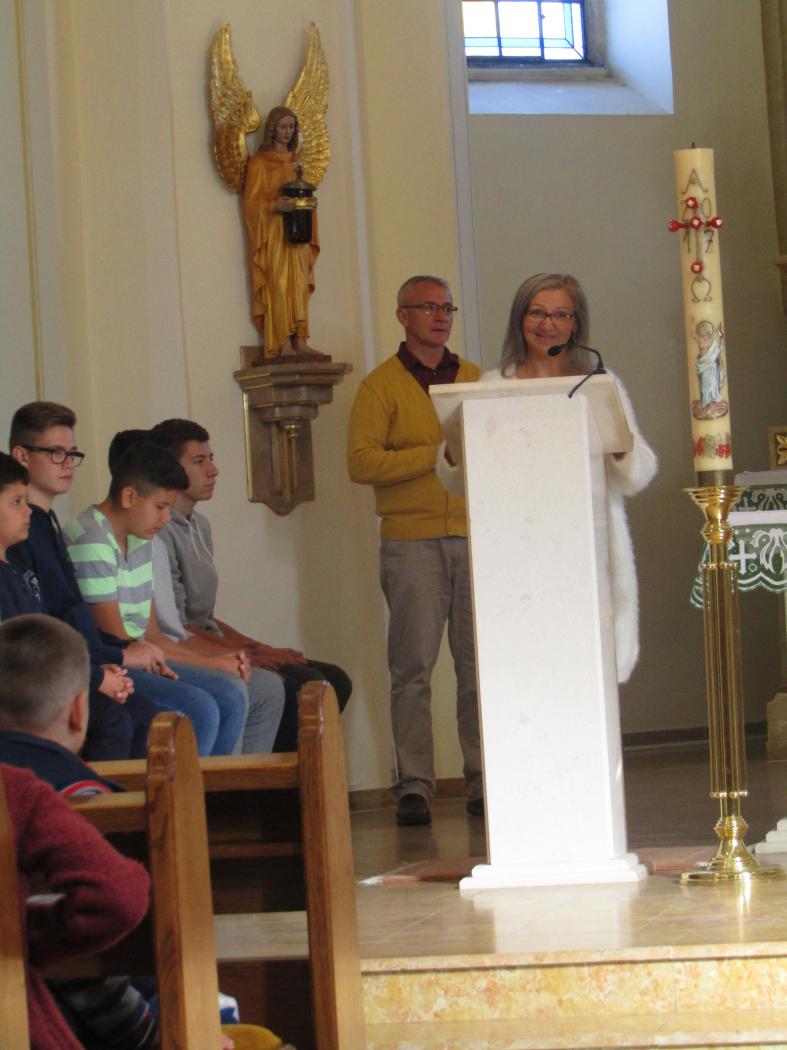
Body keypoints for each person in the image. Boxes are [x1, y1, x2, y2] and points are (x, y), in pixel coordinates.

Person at [437, 272, 658, 684]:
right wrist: (452, 447)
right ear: (520, 319)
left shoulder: (597, 383)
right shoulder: (492, 386)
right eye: (537, 313)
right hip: (515, 554)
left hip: (586, 553)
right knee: (525, 679)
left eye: (560, 314)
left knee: (584, 677)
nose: (547, 324)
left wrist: (620, 445)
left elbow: (639, 472)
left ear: (575, 324)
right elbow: (458, 479)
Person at [347, 275, 482, 826]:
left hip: (475, 535)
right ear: (402, 315)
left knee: (478, 667)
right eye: (428, 307)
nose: (441, 316)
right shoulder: (380, 386)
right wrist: (434, 454)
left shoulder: (473, 378)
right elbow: (361, 462)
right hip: (411, 541)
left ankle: (483, 780)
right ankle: (415, 787)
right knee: (412, 670)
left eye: (447, 307)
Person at [148, 418, 351, 751]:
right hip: (189, 646)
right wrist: (242, 655)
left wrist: (256, 647)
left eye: (211, 458)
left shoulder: (200, 525)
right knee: (297, 687)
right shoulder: (160, 532)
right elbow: (179, 625)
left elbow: (206, 616)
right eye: (199, 461)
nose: (213, 470)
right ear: (169, 468)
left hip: (210, 637)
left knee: (335, 679)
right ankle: (271, 783)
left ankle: (309, 780)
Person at [0, 614, 154, 1050]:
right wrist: (20, 933)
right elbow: (119, 897)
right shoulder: (68, 794)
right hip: (50, 1019)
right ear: (78, 710)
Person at [62, 439, 248, 756]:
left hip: (142, 656)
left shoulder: (140, 538)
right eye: (160, 507)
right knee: (201, 707)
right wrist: (211, 663)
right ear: (129, 497)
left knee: (231, 693)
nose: (165, 519)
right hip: (114, 663)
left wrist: (214, 663)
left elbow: (150, 634)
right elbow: (119, 642)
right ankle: (184, 788)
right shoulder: (92, 539)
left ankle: (211, 787)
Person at [7, 404, 159, 760]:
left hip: (84, 660)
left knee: (153, 710)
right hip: (53, 671)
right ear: (22, 455)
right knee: (142, 715)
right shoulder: (21, 537)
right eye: (56, 453)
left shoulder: (46, 521)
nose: (68, 464)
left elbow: (72, 616)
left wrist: (117, 654)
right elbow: (44, 626)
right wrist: (106, 665)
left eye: (72, 454)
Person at [242, 105, 320, 357]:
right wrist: (275, 205)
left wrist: (308, 204)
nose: (288, 132)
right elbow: (251, 202)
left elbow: (304, 191)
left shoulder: (297, 161)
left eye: (291, 127)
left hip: (298, 231)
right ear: (272, 129)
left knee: (299, 285)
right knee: (279, 284)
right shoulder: (260, 163)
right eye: (283, 126)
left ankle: (301, 338)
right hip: (274, 233)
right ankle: (281, 341)